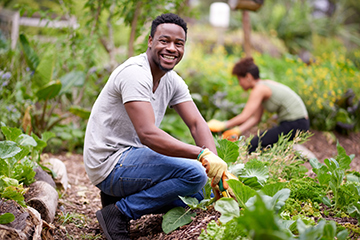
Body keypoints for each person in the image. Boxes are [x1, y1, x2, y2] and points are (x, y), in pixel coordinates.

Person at [83, 13, 229, 240]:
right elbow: (148, 134)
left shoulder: (171, 80)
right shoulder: (135, 73)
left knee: (200, 195)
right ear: (150, 41)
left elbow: (196, 123)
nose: (171, 48)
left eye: (178, 44)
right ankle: (119, 213)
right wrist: (201, 154)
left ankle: (116, 199)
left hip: (133, 161)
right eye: (164, 41)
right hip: (110, 163)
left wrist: (217, 170)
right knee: (193, 174)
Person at [207, 57, 309, 153]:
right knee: (258, 143)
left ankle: (298, 154)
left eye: (239, 80)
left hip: (296, 124)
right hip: (298, 123)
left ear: (248, 77)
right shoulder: (262, 86)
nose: (240, 84)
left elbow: (244, 116)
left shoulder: (259, 90)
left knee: (255, 144)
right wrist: (237, 131)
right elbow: (256, 118)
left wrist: (223, 125)